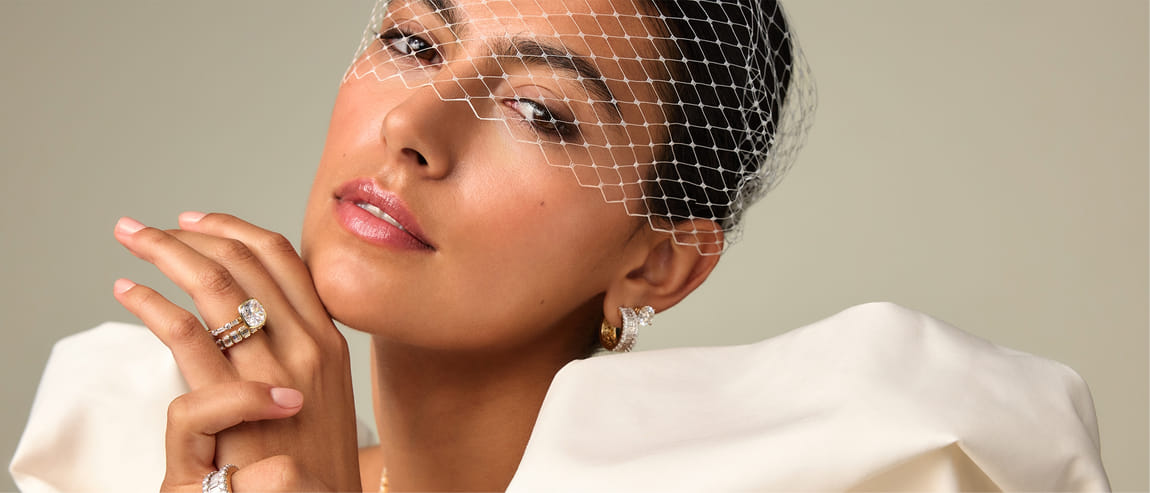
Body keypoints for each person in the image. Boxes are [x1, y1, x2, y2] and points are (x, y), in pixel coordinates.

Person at [10, 0, 1110, 491]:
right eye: (409, 40)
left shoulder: (816, 476)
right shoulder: (145, 457)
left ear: (658, 263)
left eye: (540, 111)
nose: (413, 130)